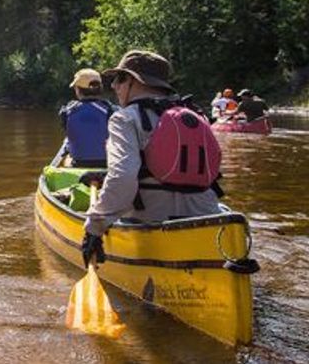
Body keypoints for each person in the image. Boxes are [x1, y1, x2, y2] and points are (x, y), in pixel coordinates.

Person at [81, 50, 221, 265]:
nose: (113, 86)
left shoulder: (125, 118)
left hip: (153, 222)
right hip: (207, 219)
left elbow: (123, 178)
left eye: (118, 79)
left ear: (132, 81)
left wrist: (94, 228)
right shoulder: (196, 115)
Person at [57, 68, 115, 168]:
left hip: (78, 164)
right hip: (106, 164)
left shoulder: (67, 111)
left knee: (68, 158)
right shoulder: (111, 110)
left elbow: (70, 132)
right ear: (100, 89)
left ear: (78, 90)